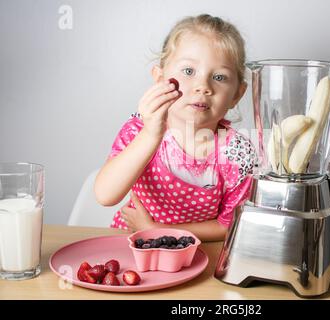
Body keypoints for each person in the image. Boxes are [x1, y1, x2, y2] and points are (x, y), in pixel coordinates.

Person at [94, 14, 257, 241]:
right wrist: (151, 134)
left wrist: (158, 230)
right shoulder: (139, 129)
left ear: (237, 94)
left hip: (198, 252)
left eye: (219, 77)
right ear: (160, 78)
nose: (203, 86)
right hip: (132, 244)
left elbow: (228, 225)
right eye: (189, 71)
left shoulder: (238, 153)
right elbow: (105, 194)